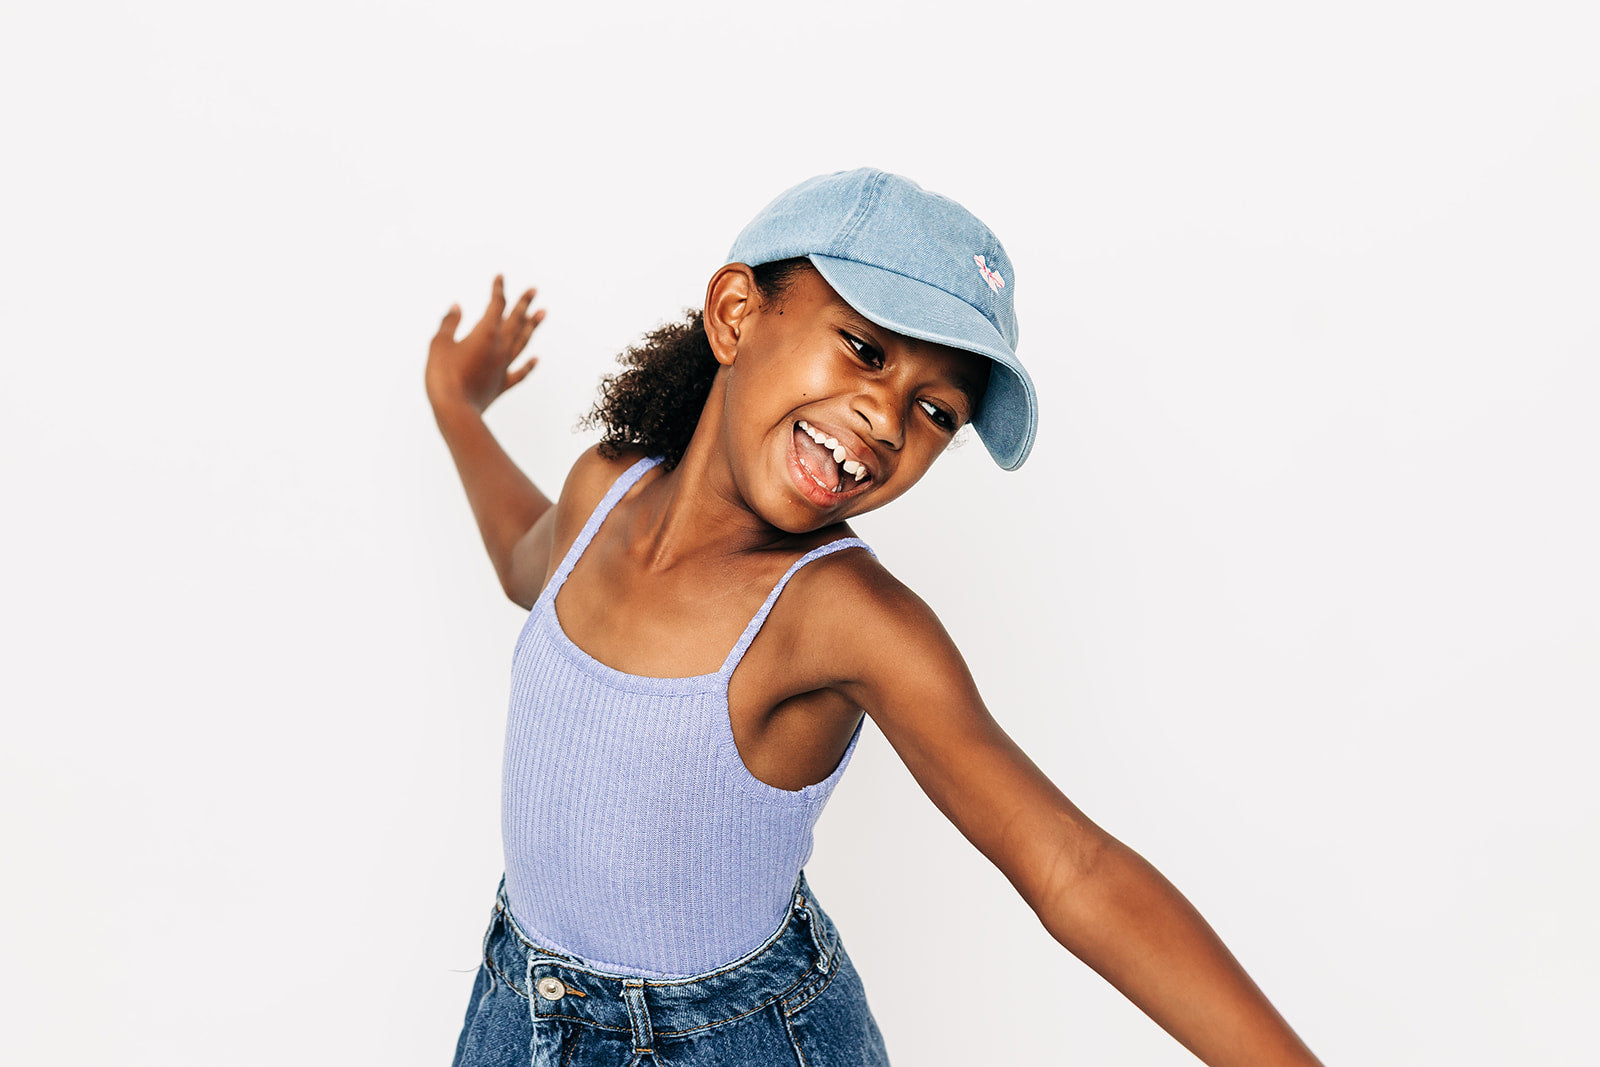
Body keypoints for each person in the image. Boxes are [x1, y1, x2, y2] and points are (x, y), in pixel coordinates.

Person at [426, 168, 1324, 1066]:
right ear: (736, 312)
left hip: (736, 1042)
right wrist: (457, 408)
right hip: (519, 1013)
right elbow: (522, 561)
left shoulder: (842, 615)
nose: (889, 419)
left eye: (937, 410)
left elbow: (1068, 864)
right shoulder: (605, 489)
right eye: (864, 349)